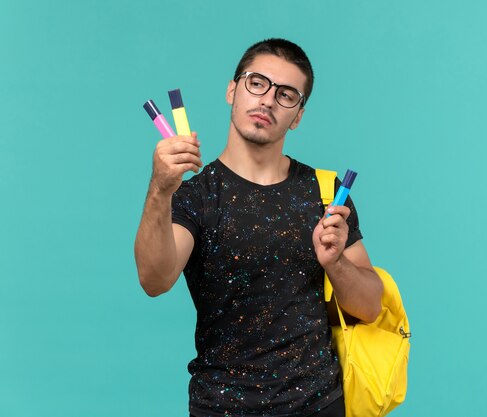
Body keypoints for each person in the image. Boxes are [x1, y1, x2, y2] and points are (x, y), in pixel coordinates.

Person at [134, 38, 383, 417]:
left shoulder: (327, 193)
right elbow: (154, 279)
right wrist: (159, 190)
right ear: (233, 90)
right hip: (221, 407)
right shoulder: (194, 197)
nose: (267, 100)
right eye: (257, 83)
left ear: (297, 115)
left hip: (321, 405)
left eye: (286, 95)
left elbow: (370, 307)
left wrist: (336, 263)